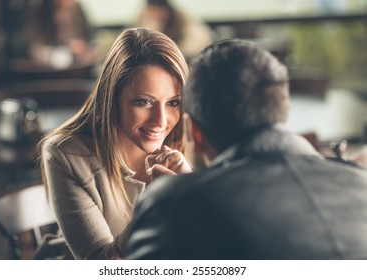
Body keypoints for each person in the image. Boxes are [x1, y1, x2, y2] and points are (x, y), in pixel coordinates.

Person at [126, 39, 367, 259]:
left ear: (194, 133)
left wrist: (182, 195)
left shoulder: (171, 205)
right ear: (281, 110)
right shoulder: (361, 181)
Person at [38, 27, 191, 260]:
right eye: (144, 102)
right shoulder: (65, 155)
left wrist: (194, 194)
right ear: (112, 97)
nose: (161, 121)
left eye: (173, 103)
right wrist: (155, 203)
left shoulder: (193, 141)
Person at [19, 0, 98, 68]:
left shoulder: (77, 9)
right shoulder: (37, 11)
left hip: (77, 69)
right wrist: (66, 51)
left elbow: (91, 38)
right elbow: (32, 48)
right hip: (47, 72)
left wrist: (85, 49)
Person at [135, 0, 213, 61]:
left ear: (166, 10)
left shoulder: (181, 19)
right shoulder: (141, 20)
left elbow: (201, 39)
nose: (157, 15)